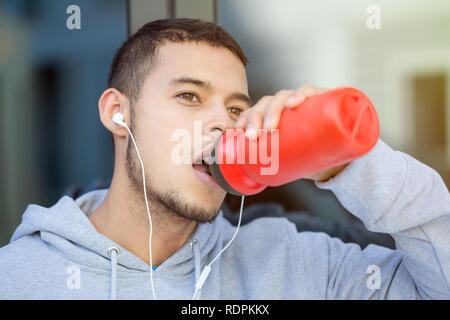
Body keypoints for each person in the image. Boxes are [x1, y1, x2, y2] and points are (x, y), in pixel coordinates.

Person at [0, 18, 449, 300]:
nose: (223, 124)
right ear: (118, 113)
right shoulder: (17, 278)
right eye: (189, 96)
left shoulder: (295, 262)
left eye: (237, 109)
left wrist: (352, 166)